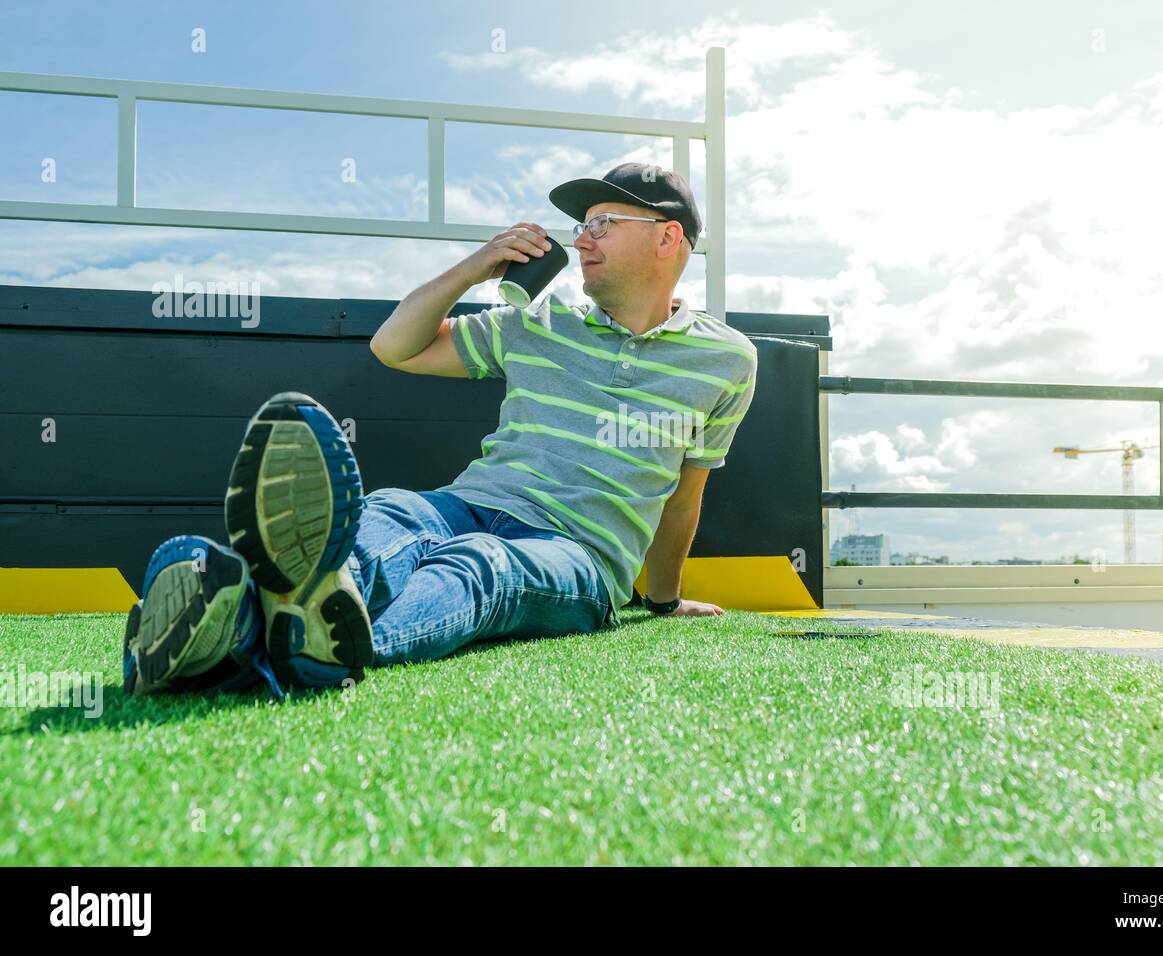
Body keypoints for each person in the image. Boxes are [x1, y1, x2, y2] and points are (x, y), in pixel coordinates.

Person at [123, 163, 758, 699]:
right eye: (580, 226)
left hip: (581, 553)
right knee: (386, 517)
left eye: (601, 224)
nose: (581, 240)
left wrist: (663, 601)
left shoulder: (727, 360)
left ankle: (259, 636)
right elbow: (394, 346)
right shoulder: (536, 323)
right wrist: (474, 269)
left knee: (481, 567)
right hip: (467, 504)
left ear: (667, 236)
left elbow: (684, 495)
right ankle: (236, 624)